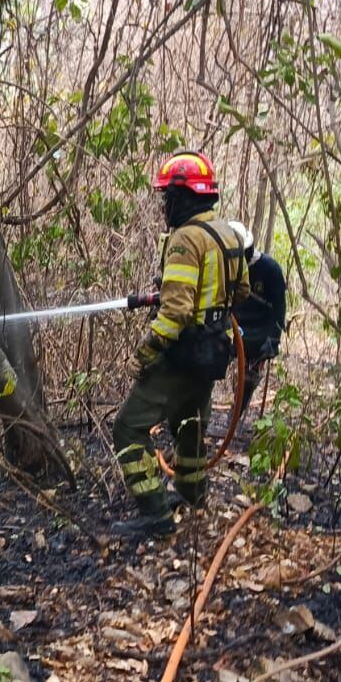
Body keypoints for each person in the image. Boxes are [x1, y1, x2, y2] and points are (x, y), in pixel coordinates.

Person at [111, 152, 250, 538]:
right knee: (189, 425)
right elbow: (241, 291)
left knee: (127, 427)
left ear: (183, 196)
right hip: (213, 351)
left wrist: (145, 353)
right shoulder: (229, 235)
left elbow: (175, 313)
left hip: (182, 352)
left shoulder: (185, 240)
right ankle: (192, 495)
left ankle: (155, 512)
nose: (163, 205)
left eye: (166, 197)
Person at [226, 220, 287, 412]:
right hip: (233, 325)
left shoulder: (270, 269)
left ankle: (237, 413)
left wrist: (273, 340)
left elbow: (279, 309)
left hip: (260, 329)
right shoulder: (225, 266)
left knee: (250, 377)